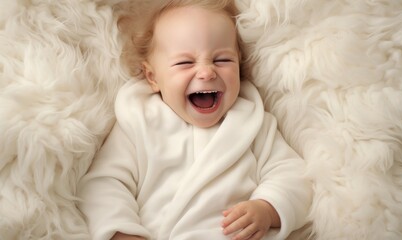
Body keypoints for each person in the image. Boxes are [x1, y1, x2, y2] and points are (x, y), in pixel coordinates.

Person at [77, 0, 312, 239]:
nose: (207, 72)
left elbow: (293, 175)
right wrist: (122, 231)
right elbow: (104, 184)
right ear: (152, 76)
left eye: (222, 60)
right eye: (185, 63)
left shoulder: (252, 123)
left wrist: (267, 207)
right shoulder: (139, 122)